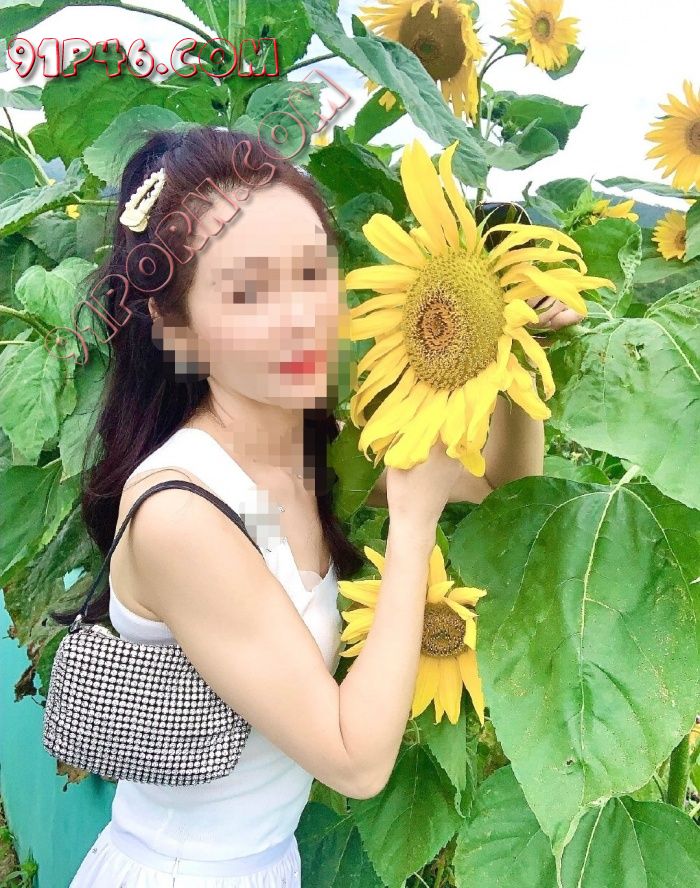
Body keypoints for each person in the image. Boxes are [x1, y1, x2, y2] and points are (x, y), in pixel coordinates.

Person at [58, 126, 570, 885]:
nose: (298, 316)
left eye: (310, 273)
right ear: (177, 327)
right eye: (248, 292)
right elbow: (354, 761)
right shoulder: (182, 513)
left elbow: (503, 488)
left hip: (268, 863)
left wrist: (522, 352)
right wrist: (412, 522)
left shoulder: (310, 445)